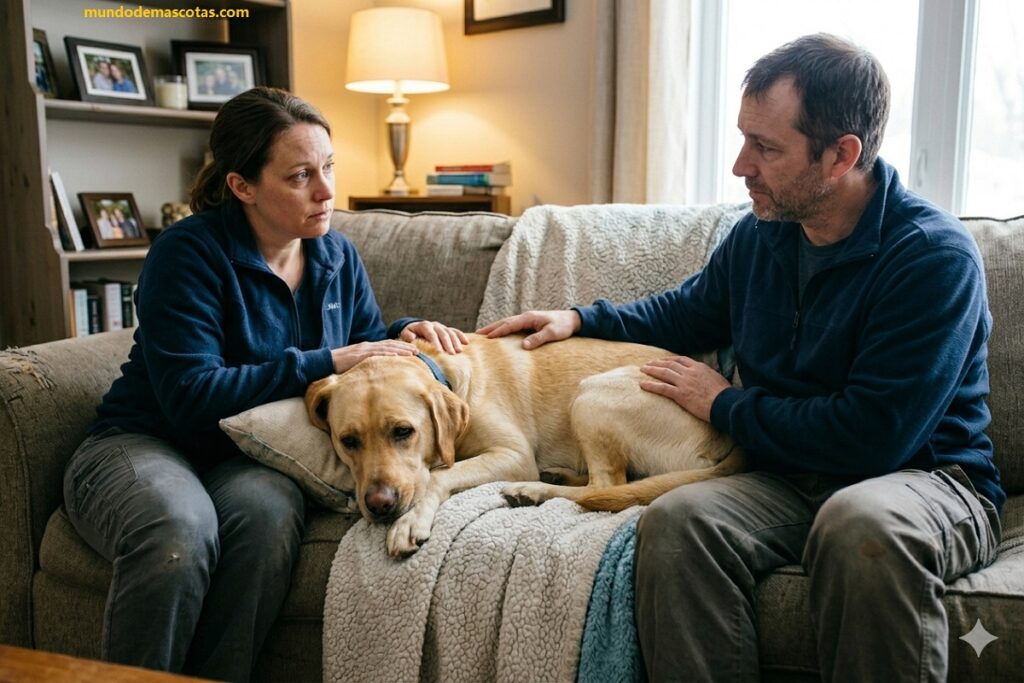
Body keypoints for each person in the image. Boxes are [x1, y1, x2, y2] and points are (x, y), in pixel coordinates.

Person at [478, 33, 1003, 681]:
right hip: (787, 474)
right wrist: (580, 319)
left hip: (924, 478)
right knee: (676, 521)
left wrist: (724, 405)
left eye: (765, 147)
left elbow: (872, 437)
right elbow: (687, 312)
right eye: (742, 139)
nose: (739, 166)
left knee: (857, 525)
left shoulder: (931, 258)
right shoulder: (761, 234)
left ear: (841, 155)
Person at [62, 86, 468, 681]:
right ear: (242, 186)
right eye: (301, 175)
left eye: (328, 167)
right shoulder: (187, 254)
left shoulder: (336, 255)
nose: (325, 191)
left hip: (247, 458)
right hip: (145, 442)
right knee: (180, 529)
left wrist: (405, 334)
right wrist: (322, 359)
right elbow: (190, 396)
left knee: (270, 514)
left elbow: (362, 347)